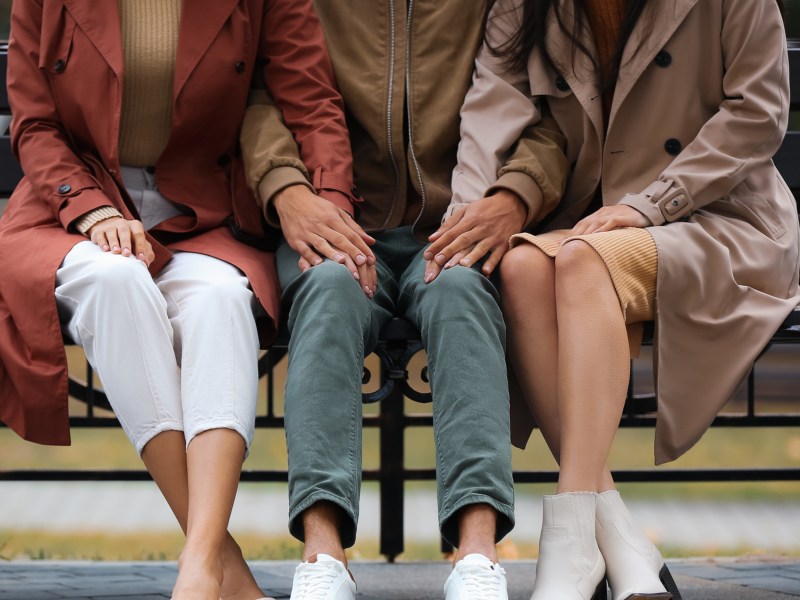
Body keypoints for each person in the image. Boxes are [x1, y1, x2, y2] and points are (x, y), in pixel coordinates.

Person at [0, 1, 357, 598]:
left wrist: (332, 206)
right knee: (114, 281)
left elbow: (311, 100)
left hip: (204, 208)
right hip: (71, 212)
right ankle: (221, 567)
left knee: (221, 299)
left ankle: (199, 560)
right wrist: (88, 205)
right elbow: (34, 124)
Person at [445, 0, 800, 598]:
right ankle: (610, 535)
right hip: (603, 223)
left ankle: (567, 541)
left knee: (580, 262)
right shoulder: (529, 5)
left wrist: (651, 204)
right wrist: (464, 221)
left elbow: (758, 115)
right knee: (526, 267)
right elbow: (493, 105)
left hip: (723, 220)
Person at [239, 1, 568, 598]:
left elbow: (554, 114)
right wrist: (286, 188)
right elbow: (261, 93)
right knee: (329, 292)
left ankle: (476, 551)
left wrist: (515, 196)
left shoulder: (501, 7)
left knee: (462, 292)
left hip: (455, 225)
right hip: (333, 220)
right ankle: (322, 554)